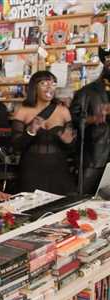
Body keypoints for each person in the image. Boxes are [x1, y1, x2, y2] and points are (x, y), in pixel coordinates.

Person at [12, 71, 75, 195]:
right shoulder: (22, 111)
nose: (49, 87)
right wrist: (31, 131)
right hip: (31, 169)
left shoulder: (63, 111)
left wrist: (69, 142)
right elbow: (15, 146)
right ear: (34, 87)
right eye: (44, 83)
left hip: (58, 169)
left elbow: (72, 148)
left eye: (53, 84)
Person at [70, 47, 110, 194]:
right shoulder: (87, 92)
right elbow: (72, 120)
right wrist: (93, 119)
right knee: (86, 201)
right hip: (95, 157)